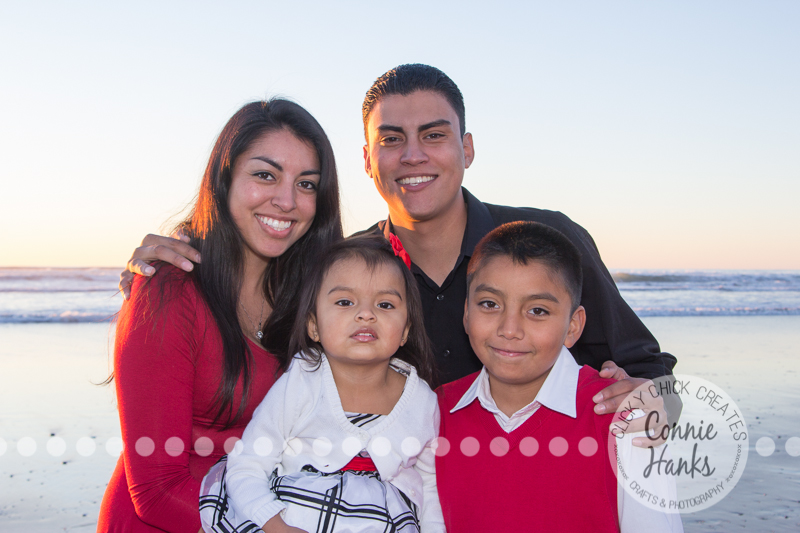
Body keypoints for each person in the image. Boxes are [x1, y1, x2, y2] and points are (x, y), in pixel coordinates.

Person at [119, 63, 673, 424]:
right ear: (366, 160)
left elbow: (652, 375)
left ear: (468, 148)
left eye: (434, 135)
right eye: (391, 139)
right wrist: (159, 275)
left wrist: (649, 402)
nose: (413, 156)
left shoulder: (547, 242)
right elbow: (265, 343)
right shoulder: (342, 268)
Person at [97, 99, 343, 532]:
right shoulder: (170, 290)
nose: (286, 200)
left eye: (307, 184)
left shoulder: (312, 294)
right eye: (265, 175)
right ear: (224, 179)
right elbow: (154, 491)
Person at [436, 221, 683, 532]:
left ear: (573, 327)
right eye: (489, 304)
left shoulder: (626, 420)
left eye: (537, 311)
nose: (509, 329)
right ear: (466, 314)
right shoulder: (436, 411)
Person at [198, 235, 444, 533]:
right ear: (313, 325)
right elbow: (248, 462)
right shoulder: (303, 381)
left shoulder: (421, 400)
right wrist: (275, 525)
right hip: (294, 517)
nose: (366, 313)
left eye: (385, 304)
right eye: (344, 301)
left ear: (405, 331)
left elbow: (430, 490)